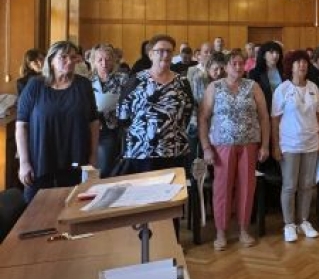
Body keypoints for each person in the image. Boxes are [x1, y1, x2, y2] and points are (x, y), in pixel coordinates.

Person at [199, 50, 269, 251]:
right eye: (233, 63)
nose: (238, 67)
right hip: (222, 146)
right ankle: (221, 232)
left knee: (246, 187)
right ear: (226, 66)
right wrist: (206, 147)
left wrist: (265, 145)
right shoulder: (215, 87)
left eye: (241, 63)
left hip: (249, 144)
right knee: (222, 188)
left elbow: (264, 117)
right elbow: (203, 117)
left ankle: (244, 229)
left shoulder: (253, 86)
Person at [16, 41, 98, 202]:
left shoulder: (83, 85)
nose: (69, 61)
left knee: (73, 205)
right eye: (63, 57)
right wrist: (24, 162)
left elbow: (93, 122)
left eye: (73, 57)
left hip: (75, 159)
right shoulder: (35, 85)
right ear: (51, 60)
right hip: (40, 159)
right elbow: (21, 125)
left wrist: (93, 156)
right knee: (36, 209)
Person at [116, 34, 194, 174]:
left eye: (169, 51)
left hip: (174, 150)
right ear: (151, 54)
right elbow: (123, 115)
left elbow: (187, 113)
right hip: (141, 151)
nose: (165, 55)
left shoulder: (182, 82)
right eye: (160, 51)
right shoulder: (136, 80)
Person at [271, 50, 319, 243]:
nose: (302, 65)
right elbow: (275, 120)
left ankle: (303, 221)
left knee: (307, 184)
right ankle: (289, 224)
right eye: (297, 62)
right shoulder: (282, 89)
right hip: (289, 144)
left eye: (304, 62)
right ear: (290, 66)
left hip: (311, 143)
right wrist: (275, 146)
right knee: (289, 185)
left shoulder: (313, 87)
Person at [90, 43, 128, 177]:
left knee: (107, 166)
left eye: (107, 59)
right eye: (100, 60)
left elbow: (129, 102)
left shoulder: (122, 79)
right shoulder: (88, 81)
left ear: (113, 61)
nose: (104, 63)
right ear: (94, 62)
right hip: (93, 126)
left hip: (114, 127)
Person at [248, 41, 285, 116]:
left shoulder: (284, 71)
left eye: (277, 53)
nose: (275, 55)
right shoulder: (255, 73)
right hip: (265, 109)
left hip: (283, 109)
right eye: (271, 52)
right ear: (264, 55)